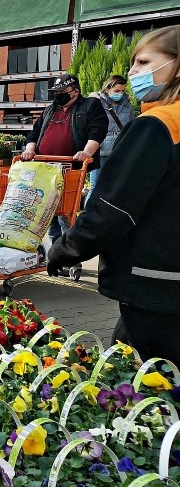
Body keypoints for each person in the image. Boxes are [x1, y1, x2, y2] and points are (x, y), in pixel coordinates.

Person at [47, 25, 180, 365]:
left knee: (147, 380)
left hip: (154, 280)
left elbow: (114, 207)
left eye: (144, 61)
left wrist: (66, 249)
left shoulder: (157, 126)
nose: (133, 72)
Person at [21, 74, 107, 242]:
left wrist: (86, 152)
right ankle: (55, 248)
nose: (58, 95)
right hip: (44, 167)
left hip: (70, 168)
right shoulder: (50, 109)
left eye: (62, 91)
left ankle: (69, 253)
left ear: (75, 92)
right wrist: (30, 149)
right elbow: (34, 133)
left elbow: (98, 129)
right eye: (56, 91)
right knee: (47, 212)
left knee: (66, 213)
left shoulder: (90, 105)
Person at [86, 75, 135, 205]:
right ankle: (87, 219)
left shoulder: (127, 106)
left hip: (119, 151)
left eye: (123, 91)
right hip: (100, 151)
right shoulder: (97, 103)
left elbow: (129, 126)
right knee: (95, 187)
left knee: (116, 187)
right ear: (107, 89)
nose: (120, 94)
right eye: (117, 91)